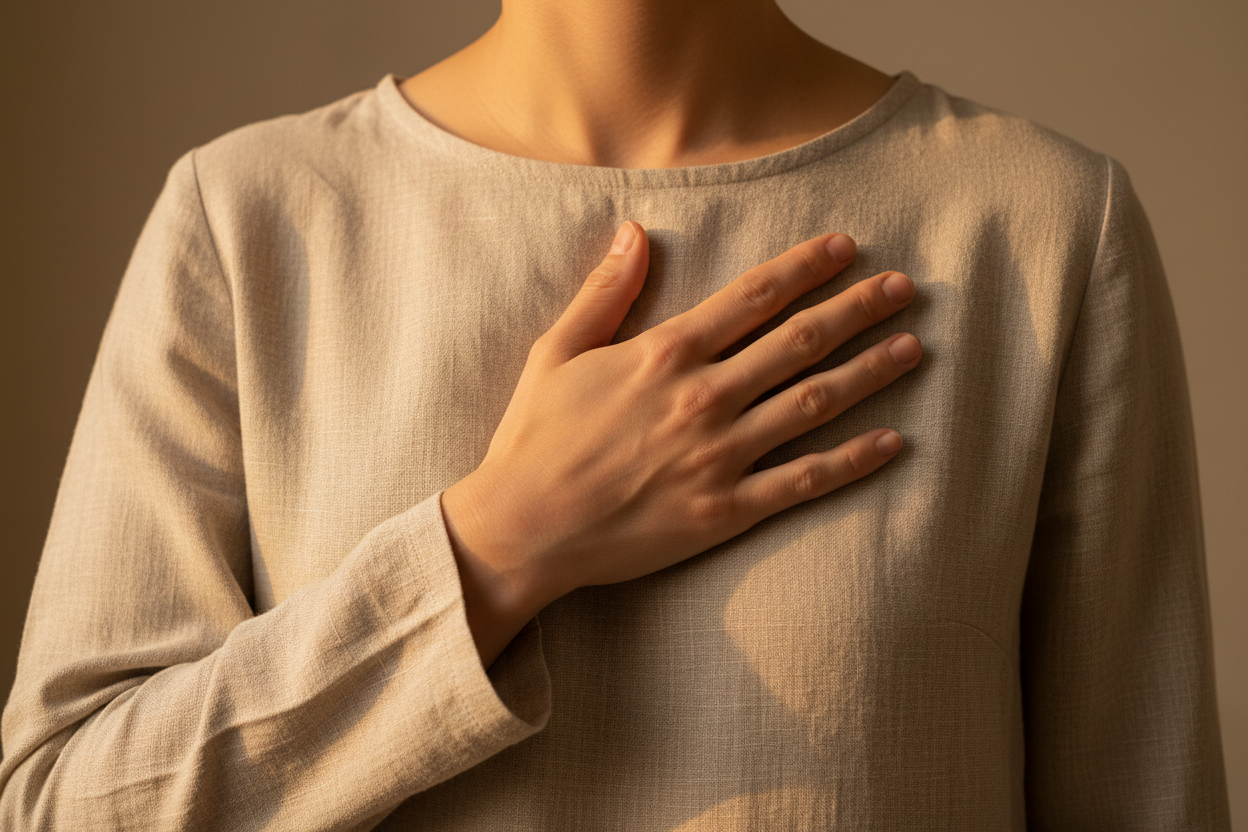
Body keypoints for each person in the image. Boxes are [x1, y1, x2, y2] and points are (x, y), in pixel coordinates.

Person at [0, 0, 1231, 828]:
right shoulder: (252, 219)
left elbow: (1145, 793)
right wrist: (491, 553)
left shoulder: (1040, 227)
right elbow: (62, 800)